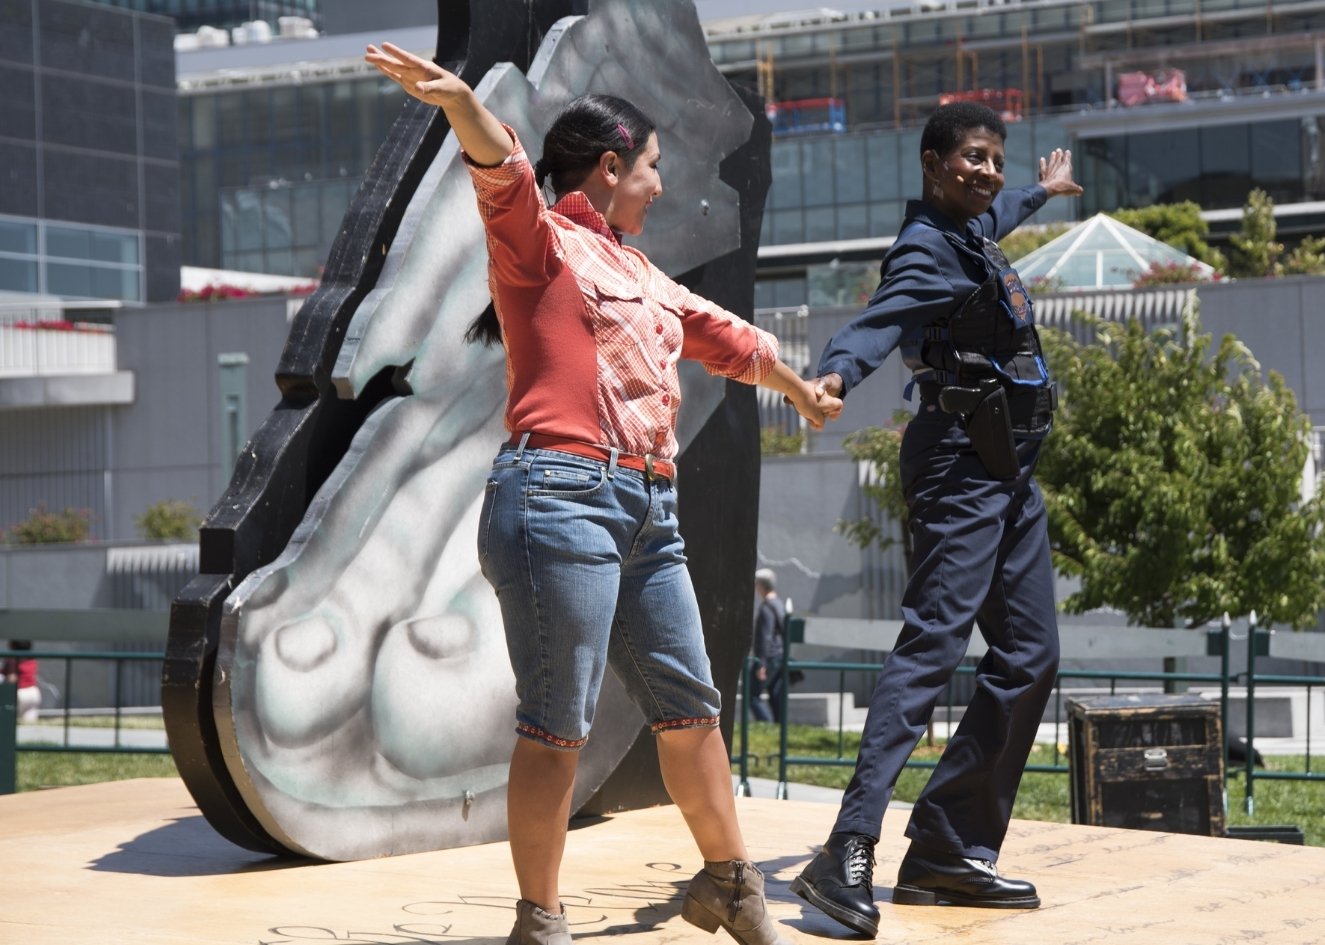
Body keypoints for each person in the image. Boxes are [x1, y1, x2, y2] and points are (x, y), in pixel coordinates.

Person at [364, 42, 840, 945]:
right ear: (611, 167)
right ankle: (539, 921)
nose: (661, 186)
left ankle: (731, 885)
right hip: (559, 498)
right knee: (558, 721)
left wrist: (803, 390)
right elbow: (500, 168)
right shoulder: (540, 244)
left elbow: (732, 340)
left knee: (691, 702)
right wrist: (462, 103)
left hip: (647, 511)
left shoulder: (643, 275)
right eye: (654, 168)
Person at [790, 102, 1082, 938]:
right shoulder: (926, 249)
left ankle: (948, 847)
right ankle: (845, 846)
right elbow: (876, 322)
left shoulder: (975, 228)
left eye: (997, 158)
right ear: (931, 164)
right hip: (961, 466)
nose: (988, 171)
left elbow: (1003, 210)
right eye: (973, 159)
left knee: (1031, 655)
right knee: (933, 646)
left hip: (1010, 473)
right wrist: (835, 376)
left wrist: (1044, 189)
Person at [747, 569, 786, 724]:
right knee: (775, 693)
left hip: (768, 657)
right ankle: (779, 726)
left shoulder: (767, 607)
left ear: (762, 585)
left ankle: (767, 724)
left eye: (757, 584)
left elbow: (765, 635)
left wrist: (761, 663)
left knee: (751, 695)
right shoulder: (779, 604)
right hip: (779, 656)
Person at [3, 641, 40, 723]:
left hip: (20, 692)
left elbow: (12, 678)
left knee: (9, 723)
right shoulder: (32, 658)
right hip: (33, 692)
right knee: (29, 724)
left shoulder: (12, 658)